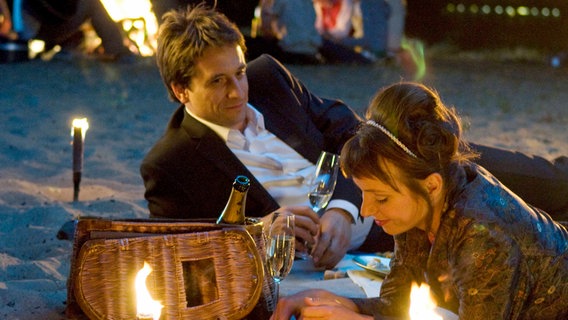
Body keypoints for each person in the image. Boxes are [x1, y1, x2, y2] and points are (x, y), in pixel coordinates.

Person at [141, 4, 568, 270]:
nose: (237, 90)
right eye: (218, 82)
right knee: (535, 240)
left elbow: (348, 129)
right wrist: (258, 231)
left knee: (546, 182)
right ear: (181, 90)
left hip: (403, 181)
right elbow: (185, 253)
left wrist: (343, 210)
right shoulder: (170, 163)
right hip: (370, 256)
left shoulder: (268, 78)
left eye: (238, 72)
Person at [270, 82, 568, 319]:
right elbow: (398, 303)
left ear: (432, 185)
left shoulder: (484, 235)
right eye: (364, 193)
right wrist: (341, 304)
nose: (366, 210)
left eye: (381, 198)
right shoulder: (419, 208)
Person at [17, 0, 135, 62]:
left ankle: (68, 44)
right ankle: (115, 50)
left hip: (22, 32)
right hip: (41, 29)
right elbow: (63, 13)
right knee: (92, 3)